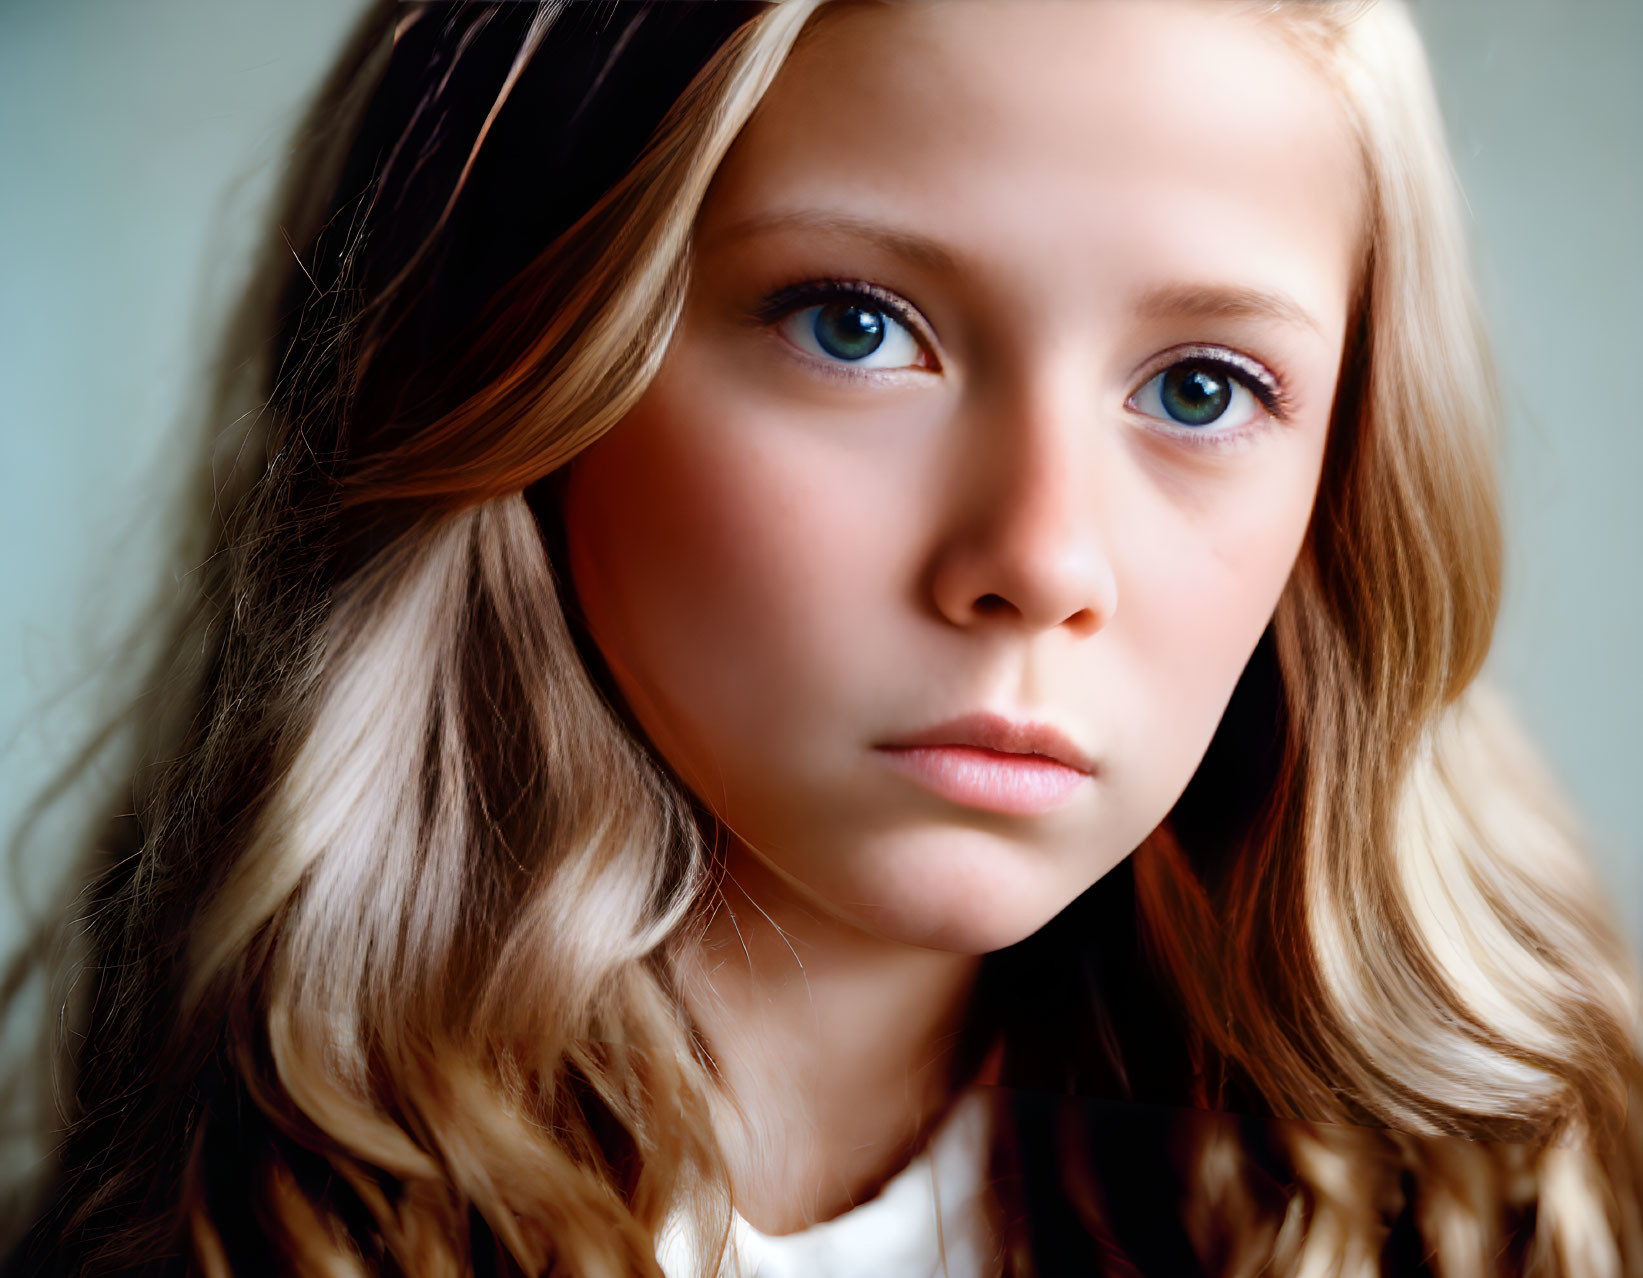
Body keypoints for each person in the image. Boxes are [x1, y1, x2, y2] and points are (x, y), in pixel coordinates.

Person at [4, 0, 1640, 1273]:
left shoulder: (1493, 1216)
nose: (1041, 559)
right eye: (855, 326)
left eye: (1200, 387)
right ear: (521, 357)